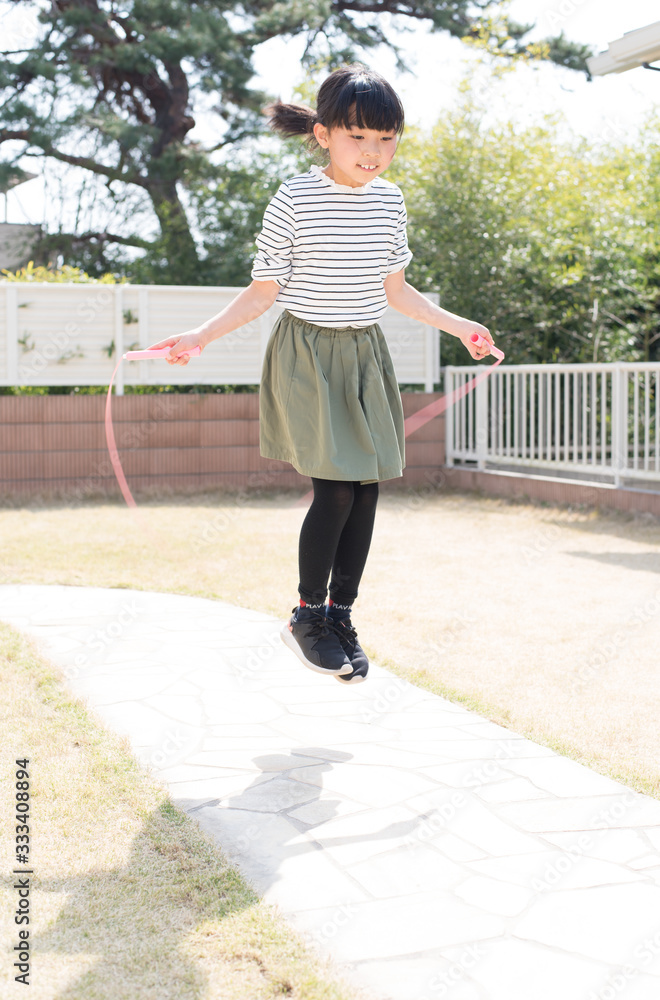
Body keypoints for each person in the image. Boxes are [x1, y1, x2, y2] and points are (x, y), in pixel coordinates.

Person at [150, 64, 496, 686]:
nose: (373, 153)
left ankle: (340, 616)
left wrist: (459, 326)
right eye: (358, 137)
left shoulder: (390, 202)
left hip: (364, 355)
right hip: (307, 355)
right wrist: (200, 336)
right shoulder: (295, 199)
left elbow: (398, 292)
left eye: (386, 139)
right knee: (335, 489)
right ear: (325, 134)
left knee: (365, 490)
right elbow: (263, 292)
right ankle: (305, 618)